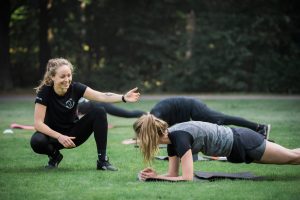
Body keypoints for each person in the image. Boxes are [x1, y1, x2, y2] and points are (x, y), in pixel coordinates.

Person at [30, 58, 140, 171]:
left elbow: (101, 96)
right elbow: (38, 124)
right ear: (52, 77)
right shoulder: (45, 92)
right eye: (62, 76)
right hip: (53, 137)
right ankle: (55, 156)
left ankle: (102, 161)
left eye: (69, 75)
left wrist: (123, 97)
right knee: (37, 141)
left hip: (73, 135)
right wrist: (59, 136)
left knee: (99, 111)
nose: (67, 80)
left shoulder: (76, 88)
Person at [133, 114, 300, 181]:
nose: (140, 141)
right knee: (292, 156)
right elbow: (173, 174)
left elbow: (187, 178)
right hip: (239, 145)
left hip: (243, 142)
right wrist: (156, 176)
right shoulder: (172, 140)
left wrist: (155, 179)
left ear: (151, 136)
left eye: (141, 137)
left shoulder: (179, 138)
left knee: (293, 159)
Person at [150, 97, 271, 139]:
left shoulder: (156, 115)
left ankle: (260, 127)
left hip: (194, 108)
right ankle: (258, 129)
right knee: (223, 121)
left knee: (223, 120)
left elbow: (162, 130)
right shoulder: (155, 116)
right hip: (190, 109)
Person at [77, 98, 146, 118]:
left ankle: (146, 114)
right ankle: (145, 114)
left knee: (128, 114)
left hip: (103, 105)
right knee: (128, 114)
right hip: (100, 105)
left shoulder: (74, 103)